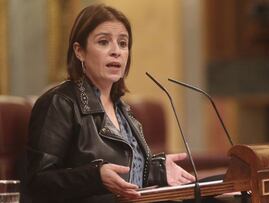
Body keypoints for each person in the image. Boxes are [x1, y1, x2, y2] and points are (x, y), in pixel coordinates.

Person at [26, 4, 195, 203]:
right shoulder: (59, 103)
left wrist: (157, 171)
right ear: (79, 51)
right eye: (104, 42)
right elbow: (37, 184)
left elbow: (126, 174)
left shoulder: (123, 110)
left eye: (123, 44)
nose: (116, 51)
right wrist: (95, 177)